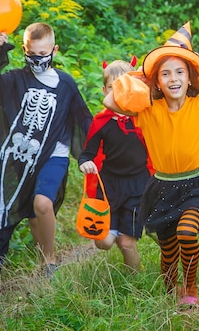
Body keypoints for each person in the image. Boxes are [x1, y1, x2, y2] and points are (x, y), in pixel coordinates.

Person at [103, 22, 199, 307]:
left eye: (180, 72)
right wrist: (141, 76)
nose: (173, 78)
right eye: (165, 73)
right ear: (157, 81)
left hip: (196, 185)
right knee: (168, 250)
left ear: (189, 77)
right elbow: (110, 101)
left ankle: (191, 286)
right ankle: (173, 291)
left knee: (186, 232)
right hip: (162, 188)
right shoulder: (147, 109)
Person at [0, 22, 92, 277]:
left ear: (54, 50)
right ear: (24, 50)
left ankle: (50, 262)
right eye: (32, 54)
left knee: (42, 204)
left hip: (55, 153)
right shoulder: (16, 80)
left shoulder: (65, 83)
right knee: (32, 212)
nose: (37, 59)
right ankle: (43, 260)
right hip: (25, 154)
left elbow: (83, 119)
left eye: (43, 54)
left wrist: (90, 153)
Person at [78, 58, 153, 272]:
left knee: (127, 243)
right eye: (113, 88)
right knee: (104, 242)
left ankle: (134, 284)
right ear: (105, 91)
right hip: (109, 188)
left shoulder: (143, 118)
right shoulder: (101, 122)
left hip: (139, 186)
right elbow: (87, 154)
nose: (119, 94)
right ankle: (115, 230)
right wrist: (85, 164)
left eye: (124, 87)